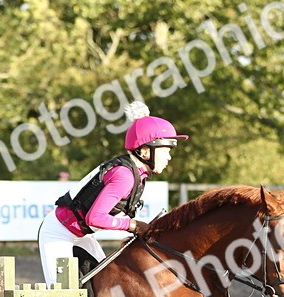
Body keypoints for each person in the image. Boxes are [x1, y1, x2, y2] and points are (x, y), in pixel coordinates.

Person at [40, 102, 186, 285]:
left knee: (103, 285)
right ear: (146, 151)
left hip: (82, 235)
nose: (169, 157)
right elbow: (94, 218)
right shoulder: (125, 175)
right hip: (58, 232)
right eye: (165, 151)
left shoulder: (136, 173)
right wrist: (132, 225)